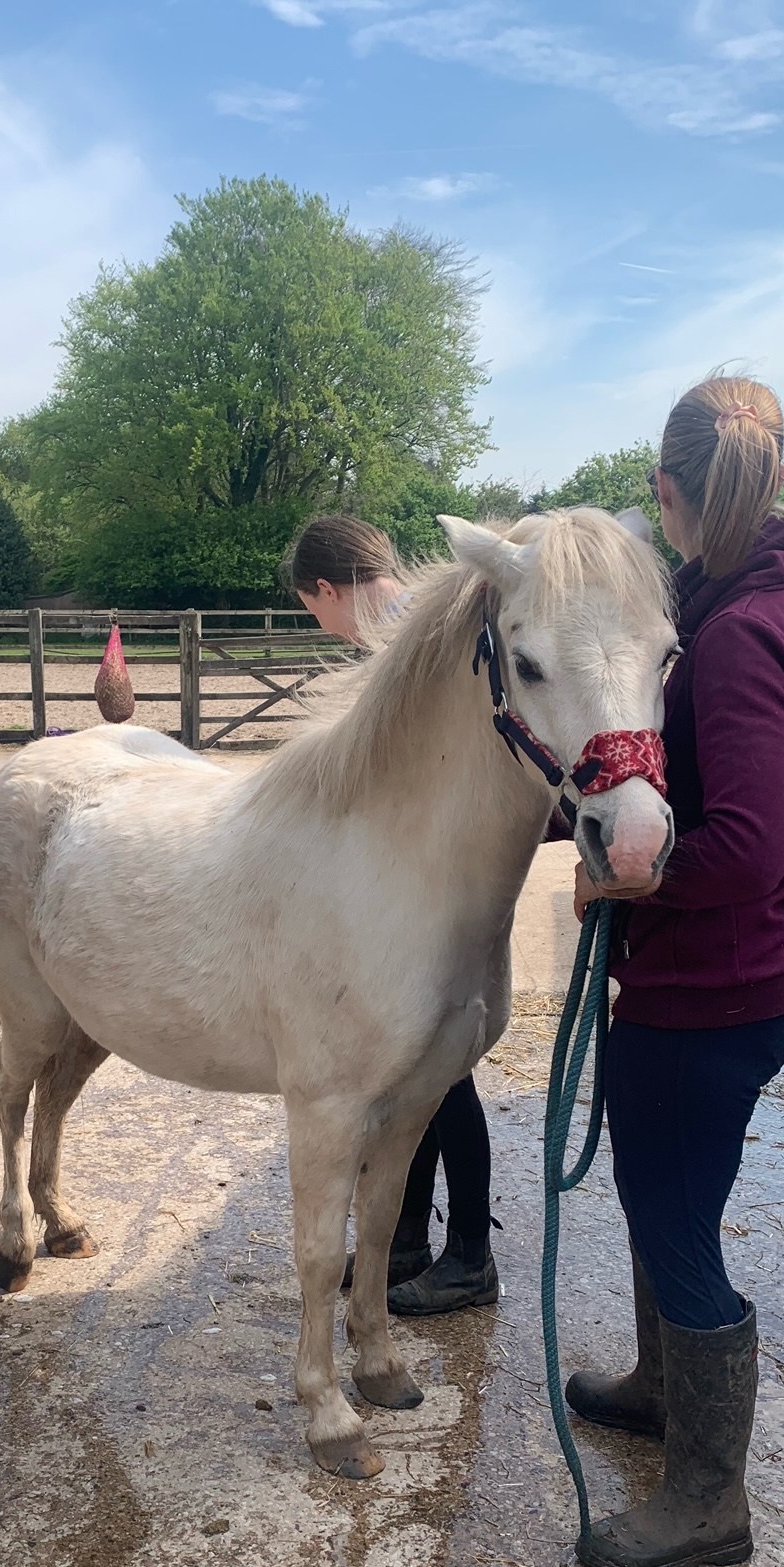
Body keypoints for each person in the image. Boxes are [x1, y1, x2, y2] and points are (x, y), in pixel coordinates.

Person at [562, 376, 784, 1567]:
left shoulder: (735, 639)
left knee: (676, 1225)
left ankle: (708, 1499)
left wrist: (622, 885)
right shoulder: (780, 600)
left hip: (710, 992)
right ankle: (656, 1386)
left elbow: (747, 844)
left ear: (669, 492)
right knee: (659, 1200)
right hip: (737, 980)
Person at [285, 516, 500, 1314]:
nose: (325, 627)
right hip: (412, 881)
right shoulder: (426, 619)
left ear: (330, 589)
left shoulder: (416, 635)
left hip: (429, 886)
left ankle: (470, 1251)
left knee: (446, 1080)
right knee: (414, 1083)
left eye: (315, 610)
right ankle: (408, 1237)